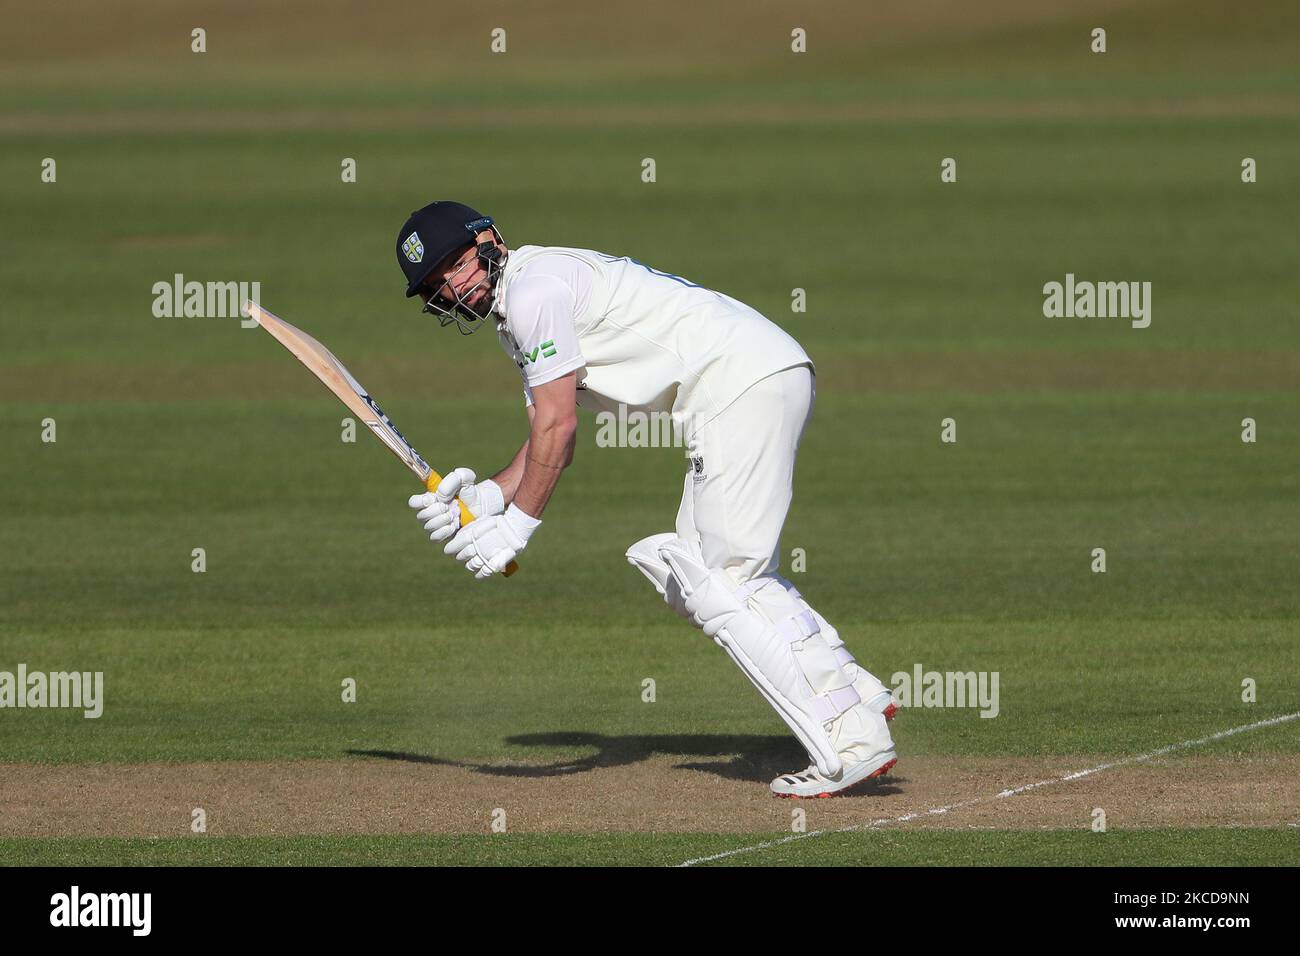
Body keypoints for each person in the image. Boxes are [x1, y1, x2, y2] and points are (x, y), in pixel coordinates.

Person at [395, 200, 898, 797]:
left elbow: (560, 428)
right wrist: (487, 499)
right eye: (436, 283)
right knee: (696, 578)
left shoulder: (534, 293)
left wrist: (520, 526)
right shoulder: (523, 306)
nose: (453, 284)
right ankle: (852, 690)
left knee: (727, 579)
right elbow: (543, 436)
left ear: (488, 240)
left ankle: (850, 740)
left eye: (453, 263)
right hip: (749, 381)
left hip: (740, 386)